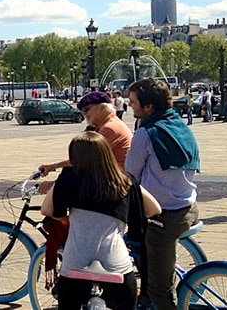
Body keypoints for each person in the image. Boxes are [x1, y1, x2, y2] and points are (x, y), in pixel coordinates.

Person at [41, 132, 162, 310]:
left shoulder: (69, 178)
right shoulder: (124, 181)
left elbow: (47, 210)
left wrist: (69, 217)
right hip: (115, 262)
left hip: (76, 262)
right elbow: (154, 209)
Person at [125, 78, 200, 310]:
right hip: (188, 207)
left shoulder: (146, 133)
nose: (129, 105)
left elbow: (129, 177)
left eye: (133, 102)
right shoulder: (179, 125)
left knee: (160, 289)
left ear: (148, 107)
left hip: (163, 216)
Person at [39, 91, 132, 177]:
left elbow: (85, 160)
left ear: (102, 108)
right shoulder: (112, 123)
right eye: (82, 112)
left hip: (114, 182)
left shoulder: (110, 128)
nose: (85, 114)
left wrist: (55, 178)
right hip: (113, 177)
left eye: (87, 109)